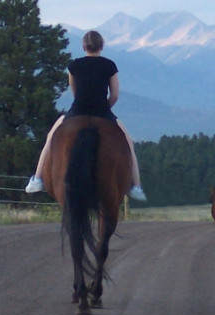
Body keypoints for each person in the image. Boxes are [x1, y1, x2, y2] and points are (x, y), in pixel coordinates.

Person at [25, 30, 147, 201]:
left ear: (84, 47)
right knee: (128, 143)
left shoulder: (74, 66)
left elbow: (74, 92)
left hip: (78, 110)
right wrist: (106, 108)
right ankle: (136, 186)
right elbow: (115, 95)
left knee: (51, 138)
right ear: (101, 46)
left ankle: (37, 179)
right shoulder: (109, 66)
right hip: (102, 111)